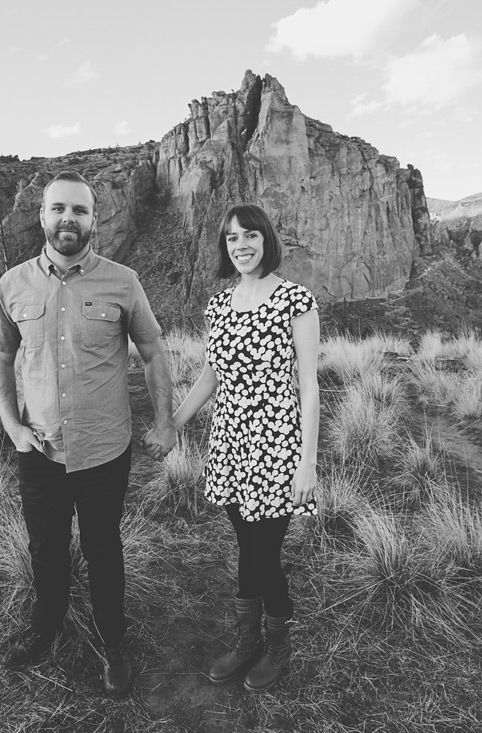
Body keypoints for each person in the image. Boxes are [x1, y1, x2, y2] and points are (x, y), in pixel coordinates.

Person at [0, 170, 176, 697]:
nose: (69, 218)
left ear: (96, 221)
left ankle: (112, 642)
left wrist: (164, 421)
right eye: (59, 209)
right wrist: (12, 425)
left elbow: (155, 352)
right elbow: (0, 356)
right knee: (45, 548)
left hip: (104, 449)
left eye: (80, 211)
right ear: (42, 216)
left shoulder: (123, 281)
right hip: (39, 448)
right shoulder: (14, 284)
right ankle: (47, 629)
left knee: (103, 548)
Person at [158, 202, 320, 692]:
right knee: (247, 547)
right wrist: (173, 426)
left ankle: (275, 643)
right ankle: (248, 640)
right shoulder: (219, 304)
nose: (241, 245)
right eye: (232, 238)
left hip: (277, 444)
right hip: (229, 442)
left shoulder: (295, 299)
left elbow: (309, 384)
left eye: (249, 235)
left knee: (262, 552)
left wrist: (306, 463)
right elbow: (211, 375)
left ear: (266, 239)